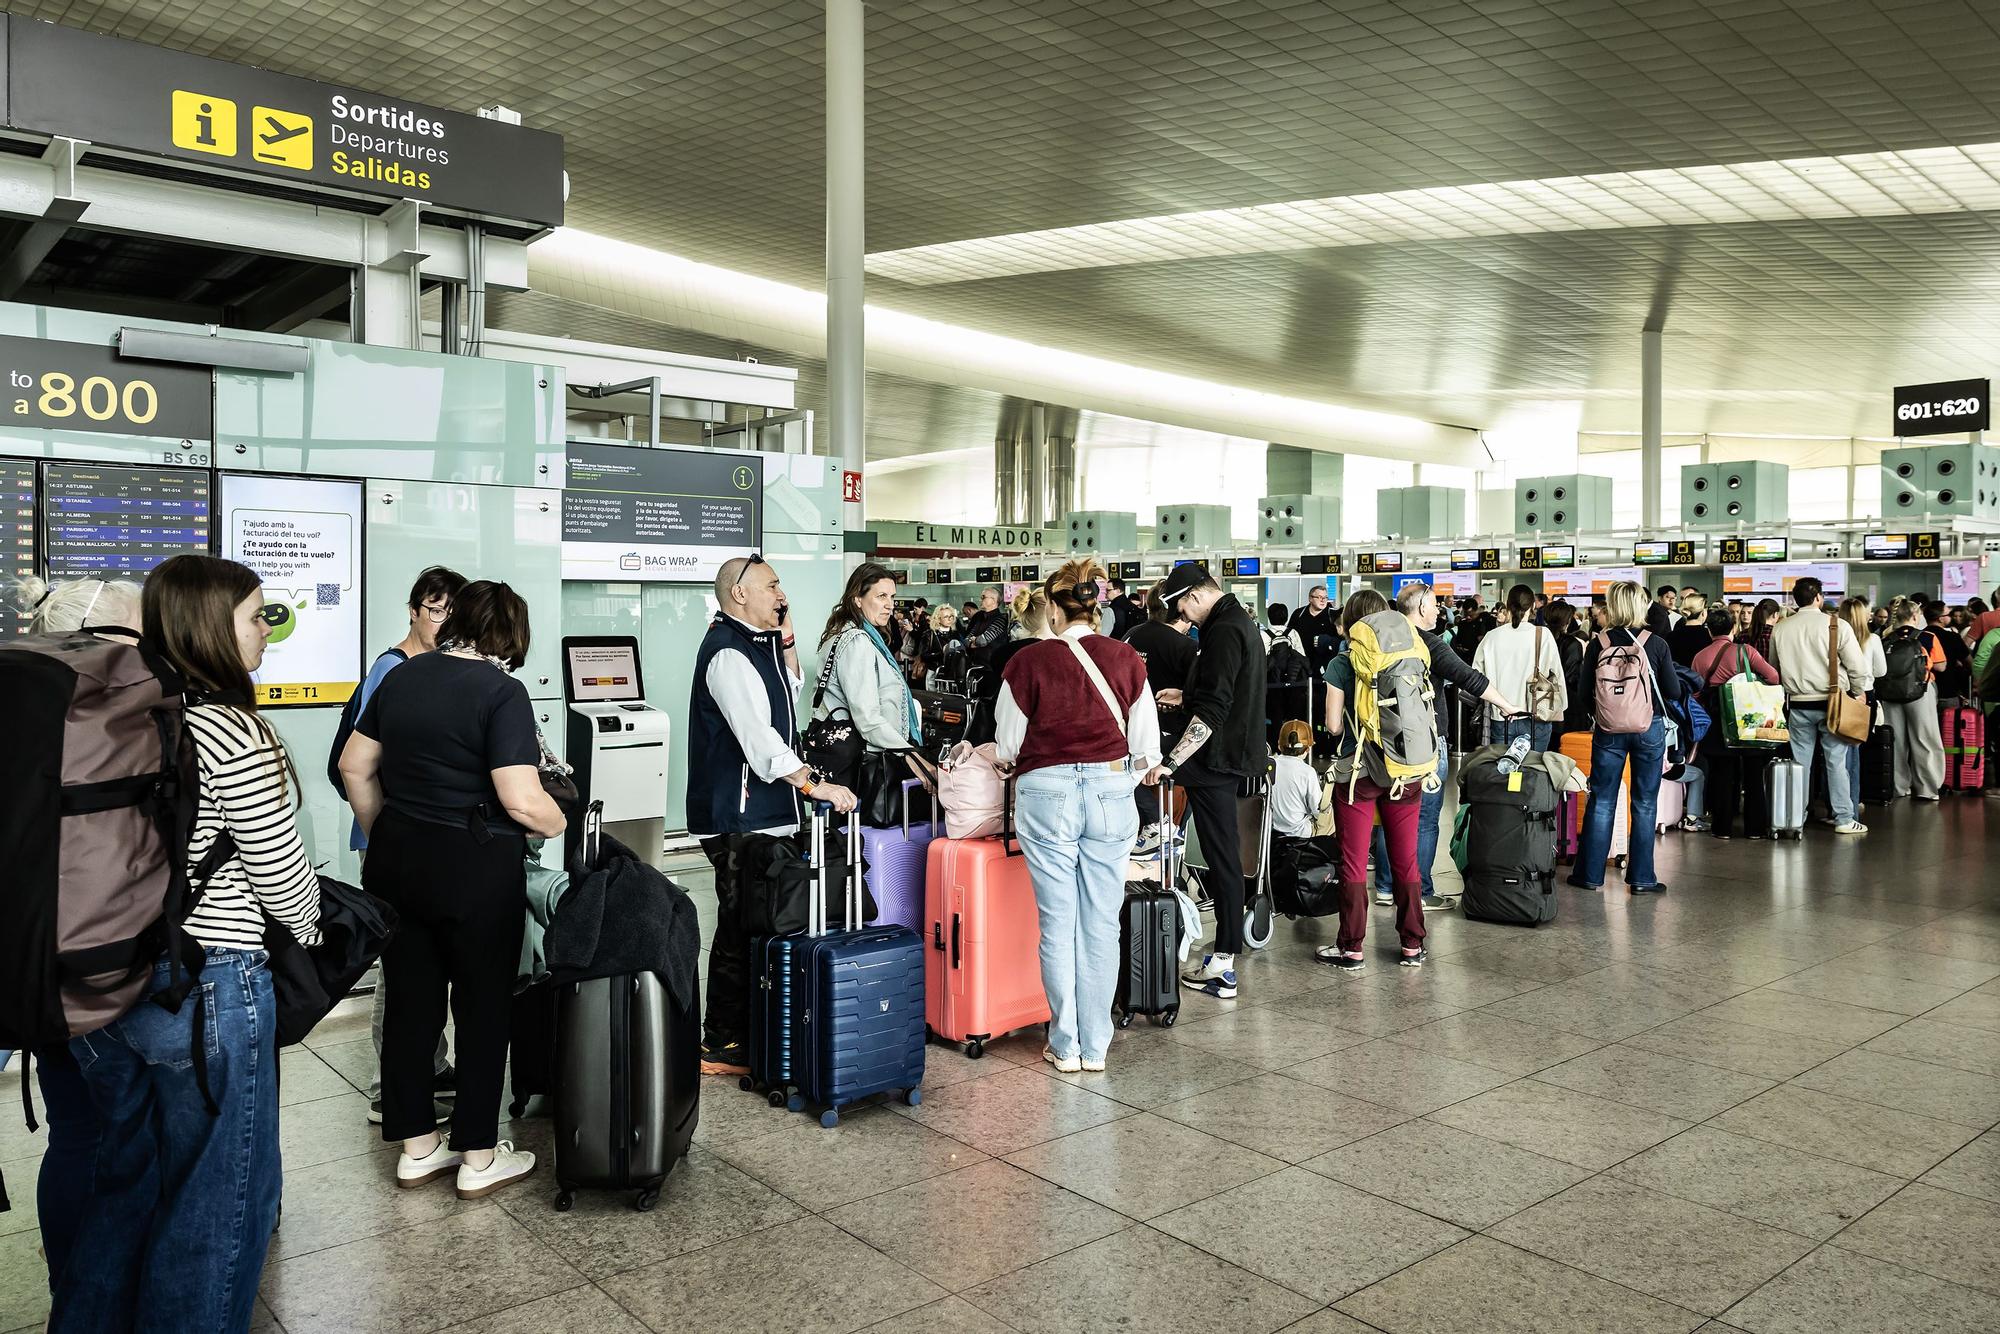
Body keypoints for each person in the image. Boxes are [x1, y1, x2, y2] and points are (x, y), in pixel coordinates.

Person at [55, 555, 322, 1333]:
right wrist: (309, 931)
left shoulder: (126, 717)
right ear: (211, 626)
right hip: (209, 989)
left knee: (126, 1188)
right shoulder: (231, 727)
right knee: (222, 1202)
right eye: (255, 616)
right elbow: (283, 879)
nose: (266, 632)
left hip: (103, 989)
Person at [340, 579, 562, 1202]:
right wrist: (559, 820)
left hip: (396, 864)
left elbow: (354, 765)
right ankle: (478, 1155)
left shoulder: (402, 677)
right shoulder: (502, 691)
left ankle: (416, 1149)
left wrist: (382, 829)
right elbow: (521, 797)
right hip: (474, 868)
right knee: (484, 1005)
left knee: (411, 1004)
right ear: (510, 635)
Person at [13, 577, 141, 1307]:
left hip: (30, 952)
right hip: (103, 958)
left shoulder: (20, 699)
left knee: (74, 1131)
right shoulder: (110, 709)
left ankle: (73, 1287)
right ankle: (102, 1299)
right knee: (112, 1133)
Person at [680, 555, 858, 1076]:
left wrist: (788, 638)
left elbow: (790, 692)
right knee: (737, 927)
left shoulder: (757, 645)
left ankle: (751, 1031)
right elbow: (760, 740)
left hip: (764, 812)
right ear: (739, 594)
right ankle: (719, 1042)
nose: (781, 593)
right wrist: (813, 783)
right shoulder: (727, 654)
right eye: (772, 585)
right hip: (737, 817)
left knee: (757, 924)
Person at [994, 558, 1160, 1074]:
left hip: (1047, 796)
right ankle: (1097, 1045)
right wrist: (1114, 780)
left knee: (1057, 923)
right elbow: (1147, 749)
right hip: (1111, 791)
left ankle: (1064, 1044)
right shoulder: (1127, 657)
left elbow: (1006, 745)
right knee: (1101, 924)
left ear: (1054, 608)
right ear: (1095, 605)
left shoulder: (1028, 662)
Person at [342, 565, 466, 1126]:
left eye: (452, 613)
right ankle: (388, 1085)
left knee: (422, 962)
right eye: (435, 609)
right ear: (414, 609)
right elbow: (361, 763)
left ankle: (429, 1067)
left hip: (420, 840)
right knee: (401, 967)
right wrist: (382, 834)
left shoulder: (436, 669)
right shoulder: (391, 670)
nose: (443, 622)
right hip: (393, 837)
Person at [1144, 564, 1266, 1001]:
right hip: (1227, 757)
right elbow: (1223, 691)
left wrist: (1171, 763)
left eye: (1180, 605)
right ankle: (1223, 956)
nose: (1182, 614)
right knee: (1223, 856)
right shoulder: (1234, 621)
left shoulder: (1223, 631)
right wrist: (1185, 696)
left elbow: (1214, 711)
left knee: (1223, 859)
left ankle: (1223, 964)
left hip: (1216, 762)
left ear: (1194, 596)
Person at [1369, 582, 1515, 909]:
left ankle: (1385, 887)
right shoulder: (1429, 644)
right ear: (1421, 608)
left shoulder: (1383, 640)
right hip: (1426, 744)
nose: (1439, 610)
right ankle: (1420, 892)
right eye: (1435, 605)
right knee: (1424, 818)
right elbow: (1468, 677)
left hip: (1387, 743)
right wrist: (1505, 704)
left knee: (1390, 811)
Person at [1316, 590, 1431, 969]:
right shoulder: (1409, 653)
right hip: (1405, 768)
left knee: (1352, 861)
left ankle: (1351, 947)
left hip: (1358, 773)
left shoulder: (1341, 662)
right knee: (1405, 859)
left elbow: (1333, 726)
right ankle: (1412, 944)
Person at [1568, 580, 1682, 895]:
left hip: (1608, 731)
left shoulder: (1598, 643)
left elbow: (1583, 694)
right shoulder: (1656, 643)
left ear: (1612, 606)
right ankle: (1642, 878)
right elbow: (1672, 691)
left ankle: (1590, 875)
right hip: (1649, 728)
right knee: (1644, 803)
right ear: (1641, 605)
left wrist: (1605, 714)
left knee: (1602, 800)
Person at [1767, 576, 1871, 835]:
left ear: (1795, 600)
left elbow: (1774, 668)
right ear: (1818, 597)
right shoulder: (1836, 625)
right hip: (1833, 704)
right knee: (1836, 762)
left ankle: (1795, 818)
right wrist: (1858, 692)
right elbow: (1858, 667)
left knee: (1801, 765)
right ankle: (1844, 818)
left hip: (1797, 704)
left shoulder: (1781, 628)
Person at [816, 562, 928, 788]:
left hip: (851, 761)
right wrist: (911, 756)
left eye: (892, 597)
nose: (890, 605)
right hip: (865, 765)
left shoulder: (843, 634)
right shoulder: (857, 641)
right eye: (881, 596)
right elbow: (867, 719)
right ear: (858, 599)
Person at [1691, 607, 1781, 840]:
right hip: (1748, 718)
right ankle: (1755, 829)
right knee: (1753, 774)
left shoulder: (1700, 656)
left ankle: (1722, 828)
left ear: (1709, 629)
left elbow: (1695, 693)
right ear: (1733, 628)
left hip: (1717, 719)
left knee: (1722, 774)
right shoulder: (1745, 651)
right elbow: (1773, 677)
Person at [1124, 581, 1198, 842]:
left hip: (1129, 732)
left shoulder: (1131, 635)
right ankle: (1169, 829)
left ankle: (1155, 824)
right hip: (1170, 736)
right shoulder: (1185, 647)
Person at [1471, 583, 1565, 752]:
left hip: (1500, 717)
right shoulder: (1543, 635)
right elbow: (1556, 675)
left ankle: (1513, 780)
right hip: (1536, 716)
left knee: (1505, 772)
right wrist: (1560, 707)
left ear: (1507, 606)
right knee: (1532, 770)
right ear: (1532, 606)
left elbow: (1476, 676)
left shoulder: (1491, 637)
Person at [1878, 598, 1945, 802]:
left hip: (1890, 694)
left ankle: (1898, 786)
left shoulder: (1884, 638)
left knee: (1895, 742)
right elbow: (1941, 666)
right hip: (1920, 693)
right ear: (1916, 616)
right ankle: (1927, 788)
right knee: (1925, 739)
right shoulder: (1927, 637)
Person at [1838, 596, 1885, 815]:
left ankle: (1837, 805)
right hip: (1864, 695)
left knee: (1838, 753)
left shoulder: (1835, 635)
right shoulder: (1873, 639)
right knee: (1856, 753)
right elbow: (1880, 671)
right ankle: (1853, 803)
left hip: (1841, 694)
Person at [1543, 600, 1589, 741]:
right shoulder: (1573, 644)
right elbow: (1572, 677)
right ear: (1568, 620)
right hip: (1568, 707)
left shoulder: (1538, 641)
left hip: (1540, 702)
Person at [1268, 720, 1318, 840]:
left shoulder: (1269, 765)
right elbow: (1317, 809)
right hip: (1300, 833)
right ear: (1308, 749)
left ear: (1279, 745)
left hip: (1271, 831)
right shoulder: (1308, 772)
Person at [1291, 583, 1342, 675]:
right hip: (1302, 664)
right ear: (1310, 599)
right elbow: (1290, 635)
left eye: (1325, 597)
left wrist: (1326, 641)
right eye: (1319, 597)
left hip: (1326, 664)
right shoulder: (1299, 614)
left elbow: (1342, 640)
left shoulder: (1334, 615)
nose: (1323, 600)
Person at [1928, 600, 1973, 699]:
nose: (1951, 617)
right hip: (1948, 691)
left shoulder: (1919, 636)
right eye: (1949, 614)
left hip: (1925, 692)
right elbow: (1969, 662)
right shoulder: (1952, 637)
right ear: (1941, 619)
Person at [1669, 592, 1710, 666]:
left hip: (1678, 676)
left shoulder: (1671, 636)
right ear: (1703, 613)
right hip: (1701, 677)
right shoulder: (1709, 636)